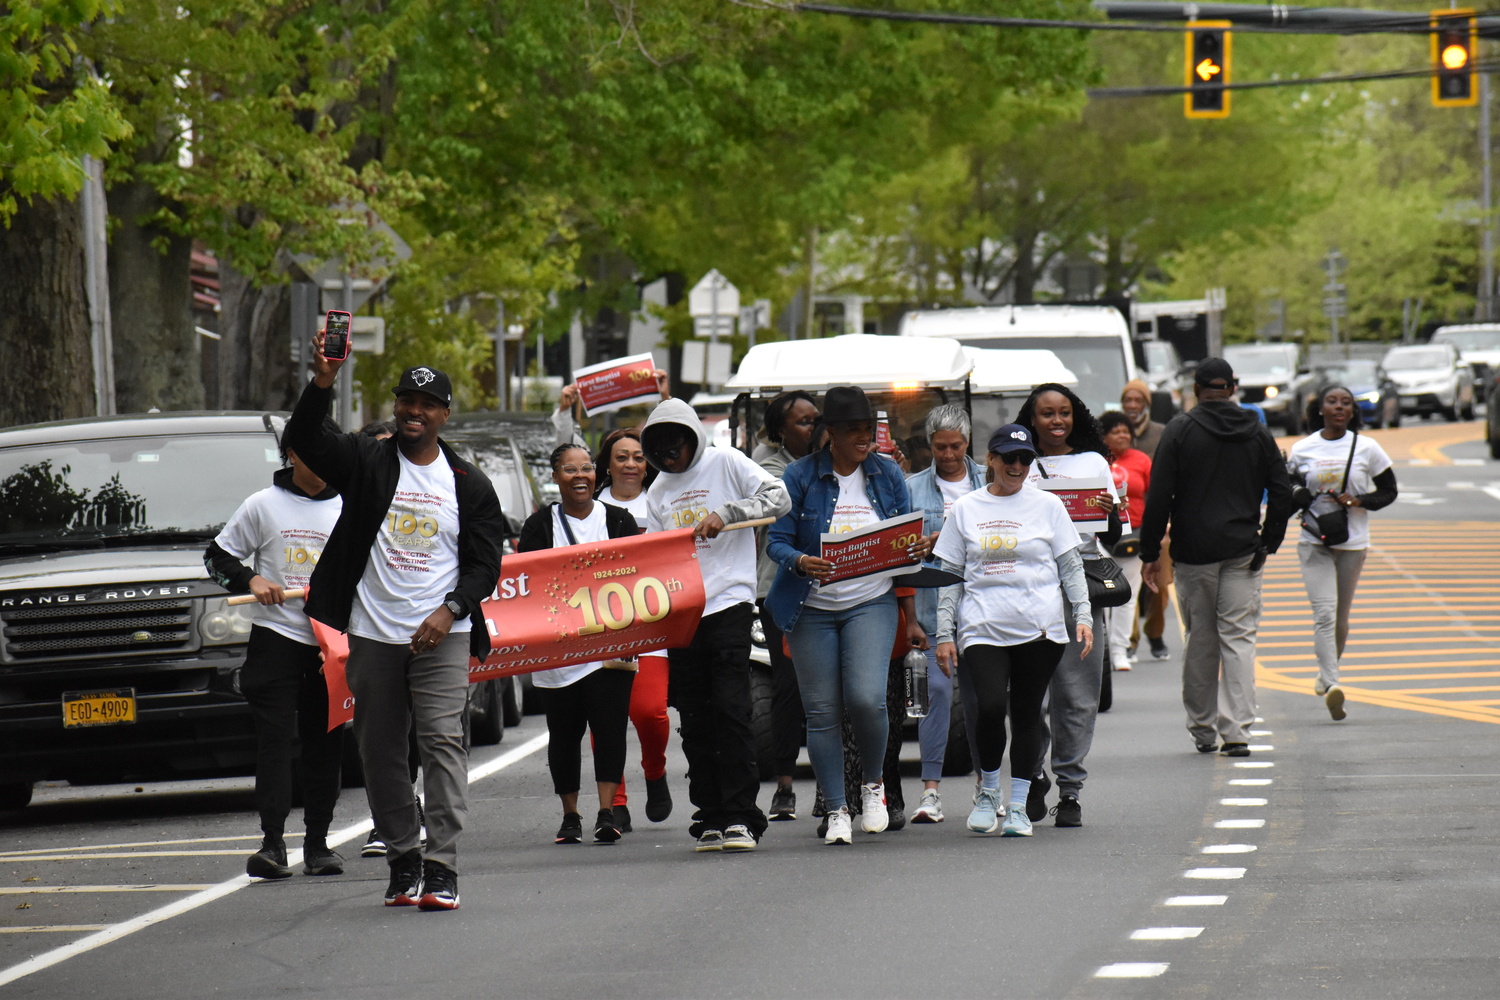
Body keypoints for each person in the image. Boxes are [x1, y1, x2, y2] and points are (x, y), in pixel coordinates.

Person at [286, 353, 505, 912]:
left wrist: (451, 608)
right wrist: (324, 379)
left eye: (428, 405)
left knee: (441, 742)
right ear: (397, 406)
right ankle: (403, 857)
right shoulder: (365, 460)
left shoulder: (469, 485)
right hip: (373, 632)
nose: (415, 411)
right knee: (380, 750)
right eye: (408, 401)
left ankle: (442, 865)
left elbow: (485, 565)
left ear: (445, 415)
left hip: (442, 635)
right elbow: (305, 438)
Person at [765, 386, 931, 846]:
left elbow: (905, 537)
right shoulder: (799, 477)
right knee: (821, 713)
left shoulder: (887, 475)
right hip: (811, 607)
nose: (865, 439)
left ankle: (872, 786)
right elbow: (775, 542)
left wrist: (916, 547)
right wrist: (800, 561)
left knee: (866, 698)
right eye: (854, 431)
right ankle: (837, 808)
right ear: (831, 433)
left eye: (869, 430)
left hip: (870, 602)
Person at [640, 397, 791, 852]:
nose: (671, 455)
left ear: (693, 436)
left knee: (730, 706)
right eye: (661, 447)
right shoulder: (658, 491)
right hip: (681, 611)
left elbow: (777, 498)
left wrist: (726, 515)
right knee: (695, 714)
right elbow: (651, 554)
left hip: (728, 599)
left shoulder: (726, 462)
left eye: (677, 443)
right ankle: (709, 814)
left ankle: (743, 816)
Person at [932, 424, 1092, 837]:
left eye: (1025, 459)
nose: (1017, 466)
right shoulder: (966, 508)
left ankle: (1018, 805)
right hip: (982, 625)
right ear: (991, 460)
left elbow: (1070, 566)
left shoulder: (1048, 506)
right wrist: (945, 633)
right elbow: (949, 575)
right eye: (1009, 458)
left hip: (1039, 627)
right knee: (987, 707)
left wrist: (1084, 616)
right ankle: (988, 790)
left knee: (1026, 713)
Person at [205, 426, 344, 879]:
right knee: (276, 740)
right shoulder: (262, 505)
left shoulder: (351, 506)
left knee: (325, 742)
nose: (323, 464)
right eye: (313, 454)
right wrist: (251, 580)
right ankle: (272, 844)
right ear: (291, 455)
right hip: (276, 638)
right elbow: (217, 557)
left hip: (333, 641)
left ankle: (320, 844)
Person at [1140, 358, 1294, 757]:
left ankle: (1203, 728)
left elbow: (1158, 497)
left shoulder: (1179, 430)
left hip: (1193, 552)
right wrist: (1269, 541)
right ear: (1233, 388)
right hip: (1243, 550)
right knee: (1239, 638)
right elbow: (1282, 492)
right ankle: (1238, 729)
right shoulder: (1257, 431)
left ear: (1195, 389)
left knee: (1202, 639)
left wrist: (1151, 550)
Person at [520, 445, 641, 844]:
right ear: (555, 477)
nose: (580, 476)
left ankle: (607, 812)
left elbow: (637, 575)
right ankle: (570, 815)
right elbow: (527, 584)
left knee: (609, 730)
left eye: (586, 468)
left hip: (609, 648)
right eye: (569, 469)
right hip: (558, 649)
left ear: (596, 474)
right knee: (564, 734)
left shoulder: (619, 520)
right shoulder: (538, 526)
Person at [1018, 383, 1120, 829]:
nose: (1056, 421)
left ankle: (1070, 790)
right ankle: (1032, 771)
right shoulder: (1016, 460)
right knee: (1027, 694)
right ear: (1032, 419)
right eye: (1047, 414)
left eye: (1064, 413)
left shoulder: (1094, 462)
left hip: (1082, 583)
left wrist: (1108, 513)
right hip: (1028, 587)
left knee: (1077, 695)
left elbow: (1113, 535)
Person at [1287, 385, 1397, 721]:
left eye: (1346, 403)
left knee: (1340, 618)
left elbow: (1390, 490)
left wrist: (1360, 501)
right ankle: (1334, 684)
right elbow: (1286, 487)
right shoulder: (1303, 448)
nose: (1339, 407)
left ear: (1352, 411)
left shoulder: (1368, 448)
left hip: (1352, 541)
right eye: (1332, 402)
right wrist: (1299, 495)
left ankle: (1324, 673)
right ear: (1319, 408)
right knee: (1324, 612)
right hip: (1313, 539)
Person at [903, 403, 985, 824]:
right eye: (940, 447)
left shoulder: (990, 482)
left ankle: (983, 786)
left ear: (967, 442)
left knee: (981, 700)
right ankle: (931, 790)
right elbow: (899, 553)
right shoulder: (912, 489)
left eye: (955, 446)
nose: (948, 455)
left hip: (984, 609)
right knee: (934, 693)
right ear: (929, 446)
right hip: (932, 610)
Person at [592, 427, 673, 829]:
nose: (630, 464)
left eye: (639, 457)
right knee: (605, 717)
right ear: (607, 463)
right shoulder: (589, 507)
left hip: (652, 625)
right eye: (621, 456)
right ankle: (616, 801)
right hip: (603, 628)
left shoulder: (662, 501)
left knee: (650, 712)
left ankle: (655, 773)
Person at [755, 391, 819, 822]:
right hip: (778, 588)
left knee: (829, 689)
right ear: (780, 432)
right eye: (803, 423)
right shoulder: (769, 470)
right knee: (788, 686)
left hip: (829, 585)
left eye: (818, 420)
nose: (813, 429)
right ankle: (784, 785)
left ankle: (833, 784)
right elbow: (789, 503)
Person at [1100, 410, 1152, 674]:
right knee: (1102, 595)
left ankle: (1120, 650)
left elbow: (1153, 493)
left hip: (1134, 534)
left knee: (1128, 595)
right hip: (1100, 535)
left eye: (1125, 431)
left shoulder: (1141, 460)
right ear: (1104, 436)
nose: (1122, 436)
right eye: (1115, 431)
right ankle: (1105, 651)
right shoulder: (1094, 461)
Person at [1120, 379, 1165, 459]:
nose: (1132, 406)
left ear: (1146, 404)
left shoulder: (1161, 433)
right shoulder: (1111, 433)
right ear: (1122, 404)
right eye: (1128, 400)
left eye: (1138, 401)